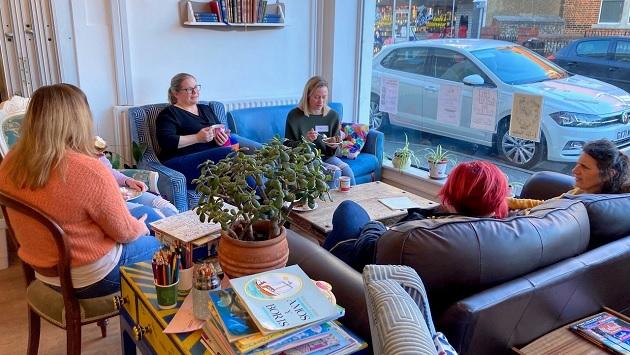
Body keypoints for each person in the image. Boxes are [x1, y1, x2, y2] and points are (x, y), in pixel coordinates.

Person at [0, 83, 161, 298]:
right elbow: (124, 233)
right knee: (164, 244)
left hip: (44, 272)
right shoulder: (87, 169)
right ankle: (152, 317)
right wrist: (140, 229)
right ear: (79, 119)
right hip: (91, 276)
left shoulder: (10, 162)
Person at [322, 160, 509, 270]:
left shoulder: (420, 234)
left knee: (348, 210)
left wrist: (375, 226)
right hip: (391, 252)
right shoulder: (505, 234)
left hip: (366, 263)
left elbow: (368, 250)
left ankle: (322, 267)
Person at [156, 73, 235, 189]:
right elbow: (166, 141)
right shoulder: (169, 114)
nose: (195, 92)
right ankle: (262, 200)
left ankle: (256, 199)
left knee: (236, 144)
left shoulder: (206, 109)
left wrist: (222, 138)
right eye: (189, 89)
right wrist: (197, 138)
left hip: (210, 158)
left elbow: (220, 129)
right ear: (175, 93)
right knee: (228, 154)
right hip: (180, 161)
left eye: (196, 87)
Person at [508, 139, 630, 210]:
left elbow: (547, 208)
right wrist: (509, 202)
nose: (574, 171)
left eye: (585, 167)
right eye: (578, 164)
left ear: (609, 174)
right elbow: (546, 205)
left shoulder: (578, 205)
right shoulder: (583, 191)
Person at [284, 76, 356, 185]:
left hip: (326, 157)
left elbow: (336, 150)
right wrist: (305, 141)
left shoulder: (332, 116)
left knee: (348, 173)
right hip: (305, 159)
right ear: (308, 96)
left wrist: (334, 145)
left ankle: (352, 201)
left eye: (324, 97)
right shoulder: (294, 115)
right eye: (316, 97)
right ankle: (329, 203)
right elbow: (287, 145)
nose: (320, 101)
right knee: (334, 172)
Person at [95, 136, 178, 220]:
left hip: (120, 192)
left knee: (169, 209)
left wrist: (128, 181)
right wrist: (110, 195)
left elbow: (109, 171)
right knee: (153, 215)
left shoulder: (91, 145)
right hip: (103, 200)